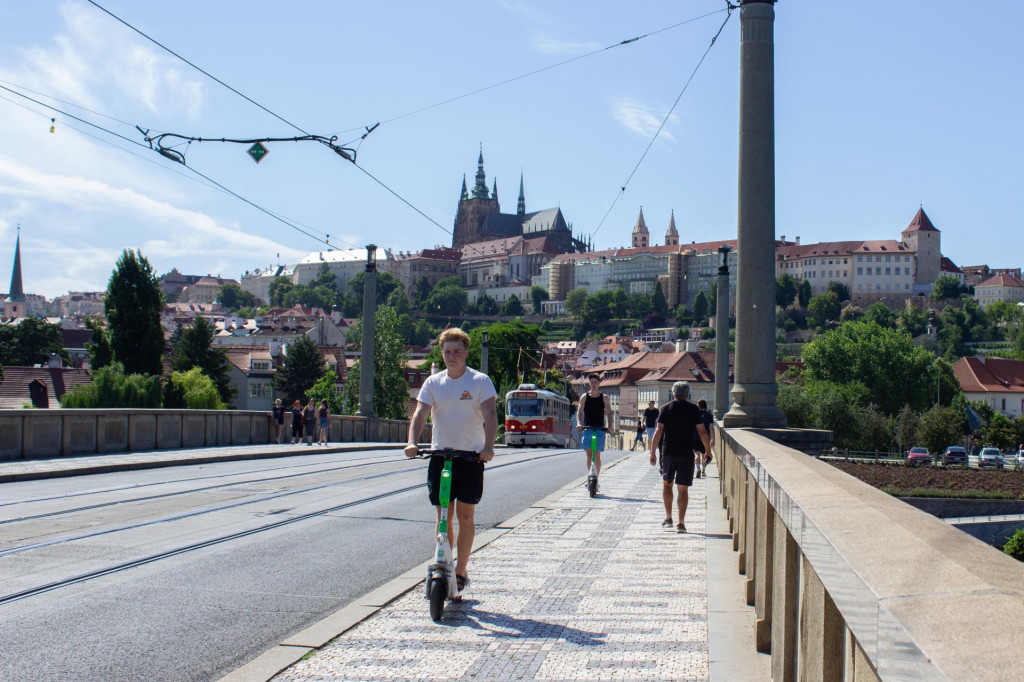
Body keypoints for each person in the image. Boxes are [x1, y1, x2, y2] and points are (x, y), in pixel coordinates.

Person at [405, 328, 497, 597]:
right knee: (443, 516)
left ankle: (461, 571)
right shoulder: (433, 383)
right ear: (442, 354)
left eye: (457, 351)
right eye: (447, 352)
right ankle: (444, 559)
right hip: (440, 455)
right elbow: (420, 413)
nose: (452, 356)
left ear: (466, 353)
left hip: (470, 457)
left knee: (465, 516)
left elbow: (490, 413)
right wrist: (412, 442)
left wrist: (488, 447)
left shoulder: (480, 381)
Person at [649, 381, 710, 534]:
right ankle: (681, 524)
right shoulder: (693, 409)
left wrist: (652, 453)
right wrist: (708, 451)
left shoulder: (666, 408)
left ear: (673, 393)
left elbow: (658, 431)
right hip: (686, 453)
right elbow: (702, 432)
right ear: (688, 394)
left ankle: (668, 518)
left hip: (668, 452)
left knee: (667, 484)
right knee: (683, 489)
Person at [577, 373, 611, 478]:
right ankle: (590, 475)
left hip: (600, 428)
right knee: (588, 454)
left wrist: (610, 425)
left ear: (599, 383)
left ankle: (596, 477)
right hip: (588, 428)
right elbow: (580, 412)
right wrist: (579, 423)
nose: (593, 384)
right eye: (591, 382)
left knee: (597, 454)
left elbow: (609, 413)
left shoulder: (604, 397)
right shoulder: (584, 397)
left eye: (595, 382)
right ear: (589, 383)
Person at [693, 398, 715, 478]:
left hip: (695, 436)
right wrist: (713, 439)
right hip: (705, 437)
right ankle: (703, 470)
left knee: (696, 454)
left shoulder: (694, 414)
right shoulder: (709, 415)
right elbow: (711, 428)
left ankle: (698, 468)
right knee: (704, 455)